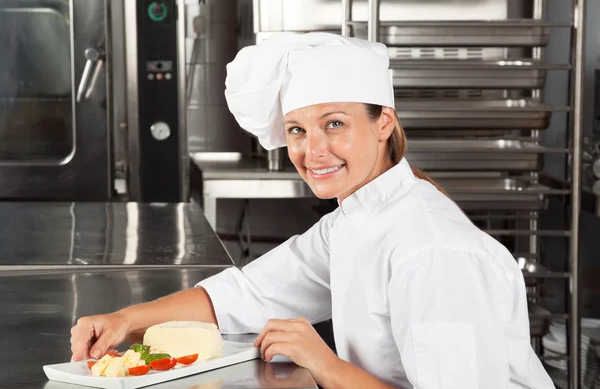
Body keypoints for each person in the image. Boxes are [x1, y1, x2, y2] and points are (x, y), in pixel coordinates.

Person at [71, 33, 554, 389]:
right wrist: (125, 320)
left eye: (335, 124)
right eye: (298, 130)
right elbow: (247, 295)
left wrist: (324, 364)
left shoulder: (433, 251)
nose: (313, 150)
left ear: (384, 122)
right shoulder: (353, 222)